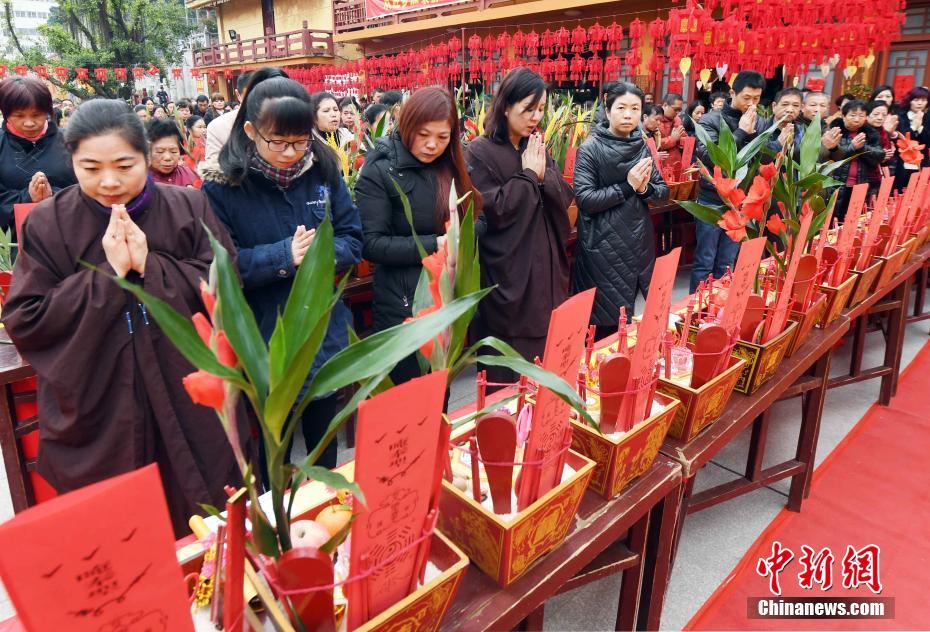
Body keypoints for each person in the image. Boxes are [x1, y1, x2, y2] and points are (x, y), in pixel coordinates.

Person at [1, 99, 247, 535]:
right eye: (90, 168)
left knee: (208, 518)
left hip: (187, 390)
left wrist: (153, 268)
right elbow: (27, 318)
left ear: (145, 155)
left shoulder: (187, 208)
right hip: (100, 403)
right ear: (71, 160)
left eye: (124, 165)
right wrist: (110, 277)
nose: (109, 181)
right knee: (121, 530)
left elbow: (226, 288)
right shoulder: (49, 224)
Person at [201, 70, 362, 469]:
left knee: (325, 446)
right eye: (279, 142)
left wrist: (321, 255)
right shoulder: (222, 188)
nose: (291, 153)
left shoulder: (323, 172)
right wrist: (282, 257)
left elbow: (353, 239)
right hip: (263, 339)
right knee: (272, 453)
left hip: (321, 335)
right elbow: (219, 265)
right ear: (252, 131)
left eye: (300, 141)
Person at [356, 86, 482, 384]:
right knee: (409, 396)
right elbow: (371, 244)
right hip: (403, 304)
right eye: (424, 135)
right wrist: (435, 244)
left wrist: (461, 235)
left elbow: (477, 216)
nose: (432, 145)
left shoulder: (452, 166)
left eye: (442, 137)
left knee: (441, 390)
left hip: (447, 294)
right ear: (407, 124)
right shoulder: (380, 170)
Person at [464, 67, 573, 383]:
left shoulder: (534, 145)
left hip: (546, 271)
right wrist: (527, 177)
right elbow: (490, 209)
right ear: (506, 106)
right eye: (528, 109)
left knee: (546, 368)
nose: (536, 117)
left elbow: (561, 192)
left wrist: (539, 175)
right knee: (509, 378)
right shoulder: (479, 151)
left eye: (541, 109)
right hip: (510, 274)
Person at [572, 82, 669, 338]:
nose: (628, 114)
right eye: (621, 107)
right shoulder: (590, 149)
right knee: (604, 323)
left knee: (627, 319)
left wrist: (643, 189)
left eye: (635, 108)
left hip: (637, 244)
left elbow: (662, 193)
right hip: (602, 248)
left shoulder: (642, 146)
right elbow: (585, 199)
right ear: (607, 108)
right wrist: (627, 186)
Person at [692, 70, 766, 292]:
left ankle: (720, 311)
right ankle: (695, 314)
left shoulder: (759, 122)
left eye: (756, 99)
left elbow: (760, 160)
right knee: (705, 260)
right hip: (712, 199)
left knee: (727, 263)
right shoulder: (710, 120)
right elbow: (709, 156)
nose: (751, 104)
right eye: (746, 98)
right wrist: (742, 132)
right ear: (733, 93)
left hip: (740, 202)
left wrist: (755, 135)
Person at [0, 76, 77, 231]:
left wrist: (53, 196)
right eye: (19, 116)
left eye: (36, 115)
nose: (29, 123)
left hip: (69, 232)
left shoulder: (71, 143)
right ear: (6, 114)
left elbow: (89, 187)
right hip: (12, 241)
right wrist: (27, 197)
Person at [830, 100, 885, 219]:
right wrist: (853, 147)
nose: (857, 119)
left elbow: (880, 155)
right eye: (853, 115)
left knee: (852, 218)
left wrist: (861, 148)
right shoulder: (835, 131)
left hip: (860, 183)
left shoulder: (870, 133)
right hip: (837, 184)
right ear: (843, 116)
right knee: (834, 218)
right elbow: (833, 155)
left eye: (861, 116)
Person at [205, 71, 266, 162]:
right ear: (238, 95)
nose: (259, 101)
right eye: (252, 94)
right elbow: (214, 168)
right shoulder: (218, 126)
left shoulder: (281, 121)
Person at [893, 87, 930, 190]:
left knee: (916, 190)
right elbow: (900, 137)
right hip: (902, 160)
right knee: (900, 190)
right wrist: (913, 127)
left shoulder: (928, 117)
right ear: (910, 101)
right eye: (916, 100)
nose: (920, 103)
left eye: (923, 100)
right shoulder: (901, 116)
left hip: (921, 161)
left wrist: (921, 128)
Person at [147, 118, 200, 187]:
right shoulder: (141, 181)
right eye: (160, 152)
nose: (167, 157)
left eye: (173, 151)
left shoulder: (189, 174)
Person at [865, 100, 897, 189]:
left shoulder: (883, 131)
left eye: (884, 115)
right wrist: (880, 157)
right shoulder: (863, 130)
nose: (880, 118)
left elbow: (887, 154)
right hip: (865, 175)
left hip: (880, 173)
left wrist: (887, 156)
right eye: (876, 114)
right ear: (867, 115)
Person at [657, 93, 688, 177]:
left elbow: (685, 138)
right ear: (665, 105)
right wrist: (673, 139)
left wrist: (681, 142)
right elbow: (653, 144)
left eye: (680, 110)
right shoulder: (655, 119)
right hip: (660, 166)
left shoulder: (677, 120)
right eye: (676, 109)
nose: (677, 112)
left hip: (676, 163)